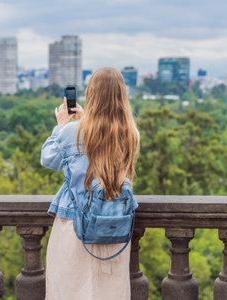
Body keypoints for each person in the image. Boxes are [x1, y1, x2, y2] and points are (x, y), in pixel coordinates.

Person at [40, 67, 139, 300]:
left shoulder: (72, 132)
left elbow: (49, 159)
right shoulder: (131, 133)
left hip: (74, 226)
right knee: (109, 292)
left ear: (91, 92)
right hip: (114, 225)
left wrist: (62, 126)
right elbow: (102, 141)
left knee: (70, 291)